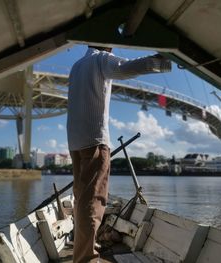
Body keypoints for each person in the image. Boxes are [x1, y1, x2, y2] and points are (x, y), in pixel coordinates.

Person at [67, 46, 171, 263]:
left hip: (75, 141)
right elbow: (125, 68)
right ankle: (85, 259)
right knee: (93, 202)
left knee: (81, 198)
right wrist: (160, 61)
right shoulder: (101, 59)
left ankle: (81, 251)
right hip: (94, 139)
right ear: (106, 44)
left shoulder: (76, 66)